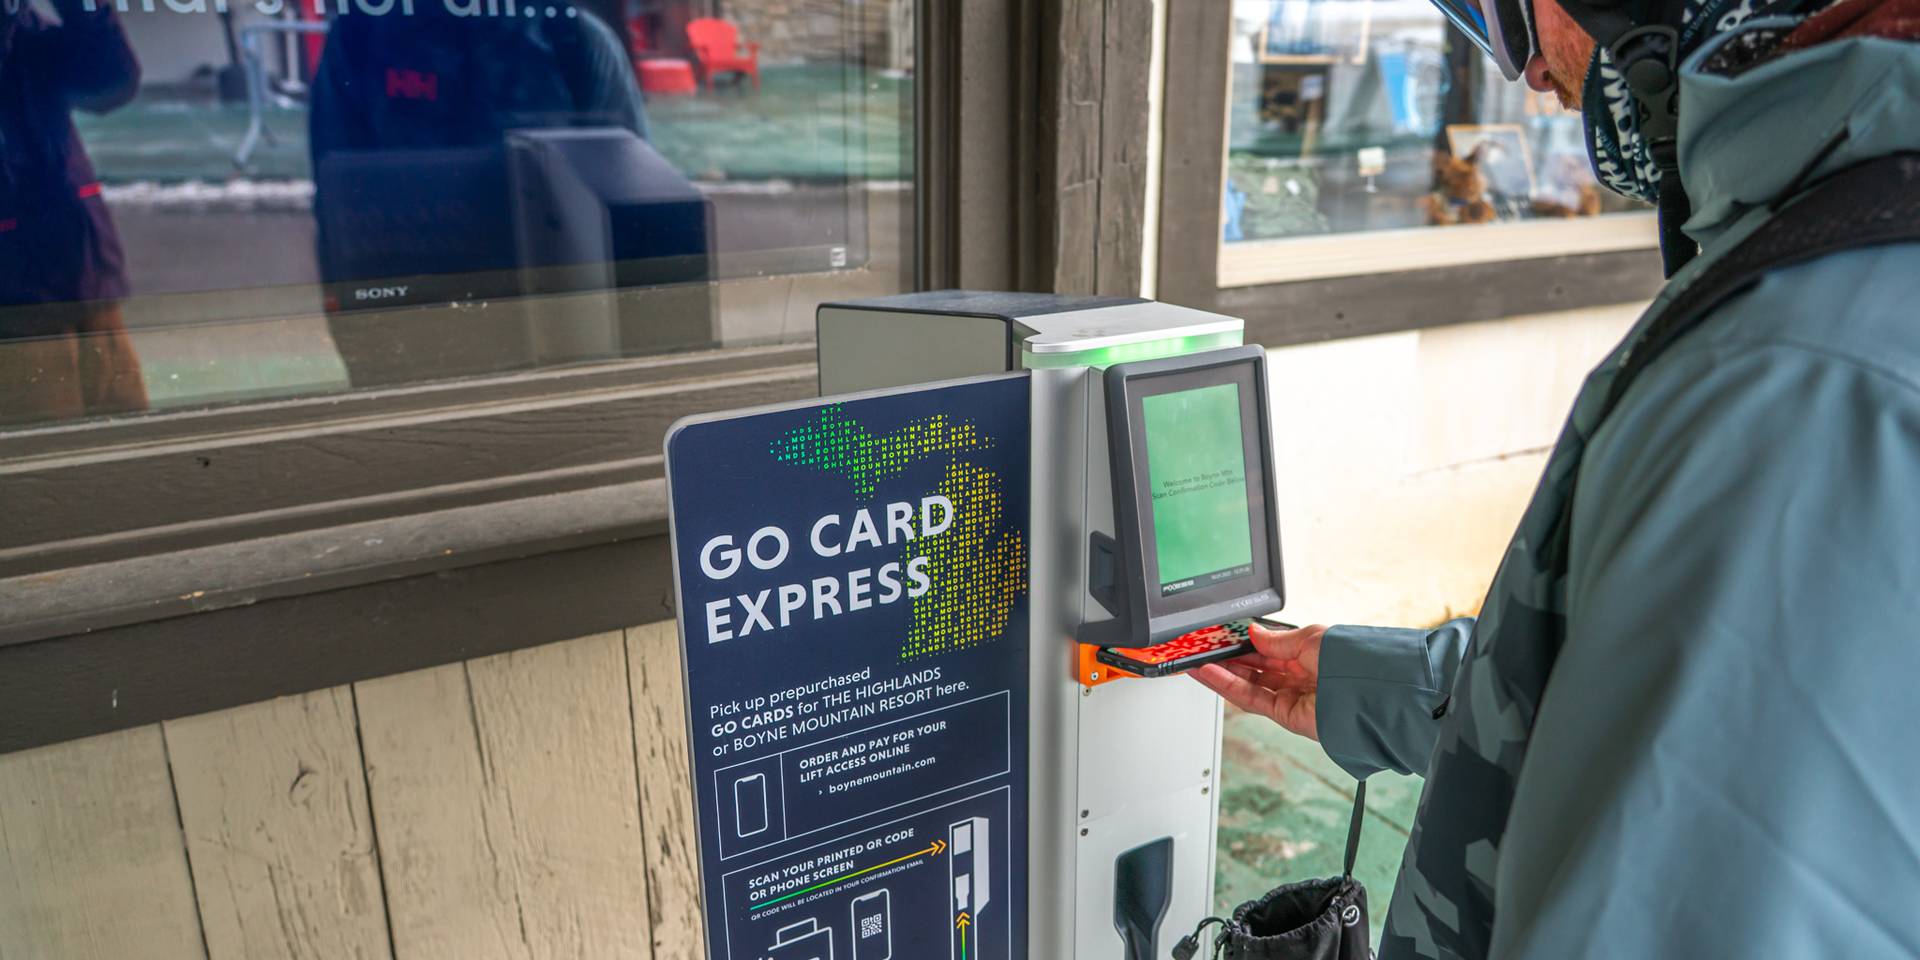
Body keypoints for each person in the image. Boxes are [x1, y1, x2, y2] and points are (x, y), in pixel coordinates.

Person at [1194, 0, 1920, 955]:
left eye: (1508, 17)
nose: (1526, 72)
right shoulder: (1828, 266)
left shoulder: (1797, 377)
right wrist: (1387, 687)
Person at [0, 0, 147, 423]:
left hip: (86, 283)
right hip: (19, 308)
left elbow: (111, 80)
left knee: (133, 458)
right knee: (54, 465)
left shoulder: (26, 29)